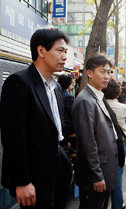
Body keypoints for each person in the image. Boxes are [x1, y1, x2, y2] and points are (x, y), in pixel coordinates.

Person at [0, 28, 72, 209]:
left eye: (66, 52)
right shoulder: (19, 83)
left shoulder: (55, 86)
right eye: (60, 51)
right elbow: (13, 138)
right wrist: (22, 181)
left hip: (59, 165)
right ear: (41, 51)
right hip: (34, 174)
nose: (64, 57)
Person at [72, 54, 125, 209]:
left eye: (109, 72)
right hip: (95, 177)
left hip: (105, 172)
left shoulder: (98, 97)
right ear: (89, 73)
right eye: (102, 72)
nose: (107, 76)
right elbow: (88, 143)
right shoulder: (84, 101)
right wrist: (96, 175)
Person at [102, 78, 126, 209]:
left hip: (103, 144)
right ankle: (118, 204)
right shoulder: (123, 107)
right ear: (118, 92)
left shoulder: (99, 104)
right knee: (117, 176)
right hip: (119, 144)